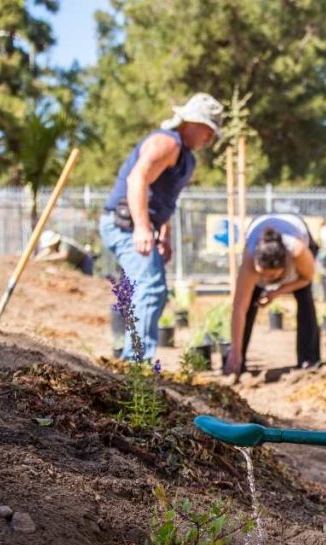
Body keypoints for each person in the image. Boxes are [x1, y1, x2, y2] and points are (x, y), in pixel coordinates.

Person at [99, 93, 222, 360]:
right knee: (151, 288)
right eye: (209, 130)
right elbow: (137, 180)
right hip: (124, 225)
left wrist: (162, 233)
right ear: (191, 122)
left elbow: (163, 197)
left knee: (140, 290)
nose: (210, 139)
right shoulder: (166, 142)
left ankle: (132, 362)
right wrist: (143, 228)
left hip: (140, 225)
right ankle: (135, 366)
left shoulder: (184, 155)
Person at [223, 213, 320, 375]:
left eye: (272, 276)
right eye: (262, 274)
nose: (265, 280)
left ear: (285, 265)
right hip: (259, 225)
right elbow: (239, 308)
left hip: (296, 229)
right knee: (248, 304)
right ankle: (237, 359)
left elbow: (307, 278)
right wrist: (235, 350)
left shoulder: (297, 251)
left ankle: (309, 359)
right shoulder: (250, 260)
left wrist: (276, 293)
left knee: (305, 298)